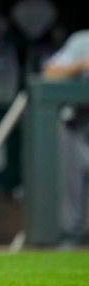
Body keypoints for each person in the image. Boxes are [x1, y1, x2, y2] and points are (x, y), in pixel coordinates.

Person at [42, 30, 89, 245]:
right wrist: (80, 66)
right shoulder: (83, 41)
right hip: (78, 126)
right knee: (70, 208)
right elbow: (49, 73)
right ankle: (68, 240)